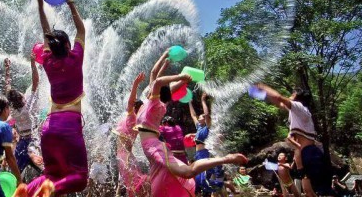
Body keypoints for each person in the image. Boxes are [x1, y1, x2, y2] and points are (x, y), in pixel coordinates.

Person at [135, 50, 248, 197]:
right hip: (152, 146)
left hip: (153, 146)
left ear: (158, 94)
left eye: (153, 89)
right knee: (178, 176)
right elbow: (154, 74)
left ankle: (227, 158)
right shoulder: (149, 102)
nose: (150, 88)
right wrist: (165, 56)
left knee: (187, 172)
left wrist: (181, 77)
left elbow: (156, 81)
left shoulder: (155, 104)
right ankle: (225, 159)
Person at [16, 0, 89, 196]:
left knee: (51, 174)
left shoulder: (47, 61)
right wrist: (71, 2)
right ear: (67, 45)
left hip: (48, 129)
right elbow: (81, 30)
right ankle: (47, 190)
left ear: (50, 46)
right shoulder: (75, 59)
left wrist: (40, 5)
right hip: (69, 127)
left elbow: (45, 30)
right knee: (80, 178)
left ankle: (26, 191)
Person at [255, 83, 332, 196]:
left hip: (310, 154)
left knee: (322, 191)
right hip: (303, 156)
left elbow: (279, 98)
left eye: (293, 93)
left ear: (296, 96)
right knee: (308, 192)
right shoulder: (296, 111)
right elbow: (279, 103)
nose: (290, 95)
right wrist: (262, 94)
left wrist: (262, 87)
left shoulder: (299, 107)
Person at [113, 72, 149, 197]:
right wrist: (135, 86)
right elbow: (132, 101)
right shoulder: (135, 118)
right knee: (133, 184)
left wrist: (135, 85)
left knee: (134, 185)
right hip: (125, 155)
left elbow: (132, 101)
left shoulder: (135, 119)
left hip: (125, 155)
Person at [3, 55, 40, 173]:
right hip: (34, 139)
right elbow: (35, 82)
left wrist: (7, 69)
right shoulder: (27, 107)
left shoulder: (12, 109)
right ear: (21, 97)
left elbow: (7, 87)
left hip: (22, 142)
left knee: (16, 171)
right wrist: (33, 63)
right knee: (41, 165)